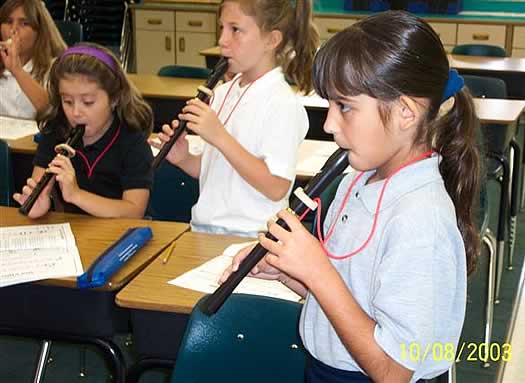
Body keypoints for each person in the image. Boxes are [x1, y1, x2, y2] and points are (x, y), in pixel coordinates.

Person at [221, 11, 481, 383]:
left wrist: (316, 269)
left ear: (406, 112)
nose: (328, 124)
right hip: (329, 368)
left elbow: (392, 371)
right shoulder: (357, 180)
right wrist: (292, 272)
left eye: (344, 106)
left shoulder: (422, 220)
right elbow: (351, 297)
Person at [150, 0, 319, 237]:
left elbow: (276, 187)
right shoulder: (222, 92)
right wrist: (184, 158)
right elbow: (216, 168)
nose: (222, 40)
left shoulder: (281, 104)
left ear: (271, 40)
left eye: (235, 29)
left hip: (253, 236)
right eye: (222, 28)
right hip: (205, 229)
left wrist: (219, 136)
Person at [13, 43, 154, 219]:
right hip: (74, 233)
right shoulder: (56, 130)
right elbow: (39, 185)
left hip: (122, 235)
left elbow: (134, 211)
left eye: (88, 102)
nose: (76, 113)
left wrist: (77, 195)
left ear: (115, 98)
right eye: (68, 101)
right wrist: (39, 205)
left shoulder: (132, 141)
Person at [0, 0, 66, 118]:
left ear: (40, 31)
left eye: (24, 23)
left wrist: (17, 71)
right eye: (9, 22)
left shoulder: (56, 67)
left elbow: (53, 113)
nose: (13, 30)